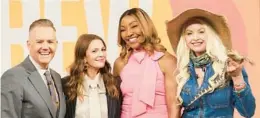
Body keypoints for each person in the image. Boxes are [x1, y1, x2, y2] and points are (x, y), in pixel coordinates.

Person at [166, 8, 256, 118]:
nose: (195, 38)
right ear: (184, 39)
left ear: (211, 35)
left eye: (201, 32)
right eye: (189, 33)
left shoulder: (228, 66)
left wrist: (237, 77)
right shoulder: (182, 71)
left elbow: (248, 112)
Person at [113, 8, 178, 118]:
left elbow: (174, 106)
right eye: (123, 29)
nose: (128, 33)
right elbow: (114, 105)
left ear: (146, 26)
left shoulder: (167, 61)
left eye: (134, 26)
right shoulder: (120, 63)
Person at [1, 19, 66, 118]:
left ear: (56, 44)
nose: (45, 47)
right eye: (39, 42)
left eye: (50, 42)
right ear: (28, 44)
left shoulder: (56, 77)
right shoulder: (13, 77)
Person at [62, 34, 121, 118]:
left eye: (103, 50)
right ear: (83, 57)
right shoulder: (66, 85)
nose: (101, 54)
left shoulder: (115, 84)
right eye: (94, 51)